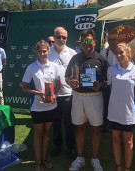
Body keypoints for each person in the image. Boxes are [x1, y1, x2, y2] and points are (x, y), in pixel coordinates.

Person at [65, 30, 109, 171]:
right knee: (80, 128)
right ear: (80, 43)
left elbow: (108, 81)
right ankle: (80, 158)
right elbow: (67, 77)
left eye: (89, 41)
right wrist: (70, 82)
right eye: (83, 41)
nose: (87, 44)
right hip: (78, 97)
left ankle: (95, 159)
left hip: (94, 98)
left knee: (96, 129)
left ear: (95, 42)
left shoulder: (101, 59)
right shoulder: (75, 58)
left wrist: (101, 86)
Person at [22, 40, 61, 171]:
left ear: (48, 52)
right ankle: (37, 162)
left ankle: (44, 159)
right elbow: (24, 87)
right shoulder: (31, 67)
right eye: (40, 51)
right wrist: (39, 93)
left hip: (51, 106)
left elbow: (59, 85)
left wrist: (53, 94)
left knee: (47, 133)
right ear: (36, 52)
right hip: (37, 107)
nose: (42, 53)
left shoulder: (54, 66)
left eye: (45, 51)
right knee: (38, 133)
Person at [107, 43, 135, 171]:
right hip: (114, 111)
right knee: (116, 139)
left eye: (121, 52)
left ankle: (127, 168)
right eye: (116, 53)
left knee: (128, 142)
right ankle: (119, 167)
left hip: (128, 112)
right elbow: (112, 88)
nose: (118, 55)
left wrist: (131, 103)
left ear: (128, 53)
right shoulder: (111, 70)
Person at [48, 27, 77, 160]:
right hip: (52, 94)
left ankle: (71, 147)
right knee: (55, 123)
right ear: (54, 37)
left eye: (64, 37)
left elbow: (77, 72)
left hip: (68, 94)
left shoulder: (72, 53)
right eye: (59, 37)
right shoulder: (48, 53)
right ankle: (57, 145)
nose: (61, 39)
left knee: (69, 123)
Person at [100, 31, 120, 132]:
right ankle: (105, 123)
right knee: (106, 103)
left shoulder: (122, 51)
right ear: (107, 40)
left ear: (118, 40)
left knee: (118, 104)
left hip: (119, 84)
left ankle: (116, 124)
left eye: (114, 39)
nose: (112, 41)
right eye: (110, 39)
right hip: (108, 84)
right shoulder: (104, 52)